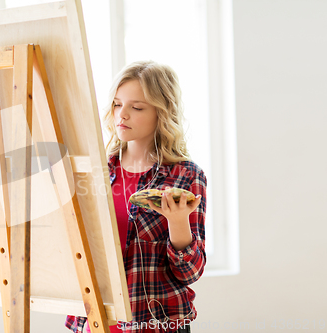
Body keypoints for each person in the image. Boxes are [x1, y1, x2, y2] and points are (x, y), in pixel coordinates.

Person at [65, 61, 207, 333]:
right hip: (93, 323)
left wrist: (178, 222)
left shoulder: (186, 176)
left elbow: (190, 273)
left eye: (137, 107)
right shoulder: (94, 171)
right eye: (117, 104)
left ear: (162, 113)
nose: (122, 115)